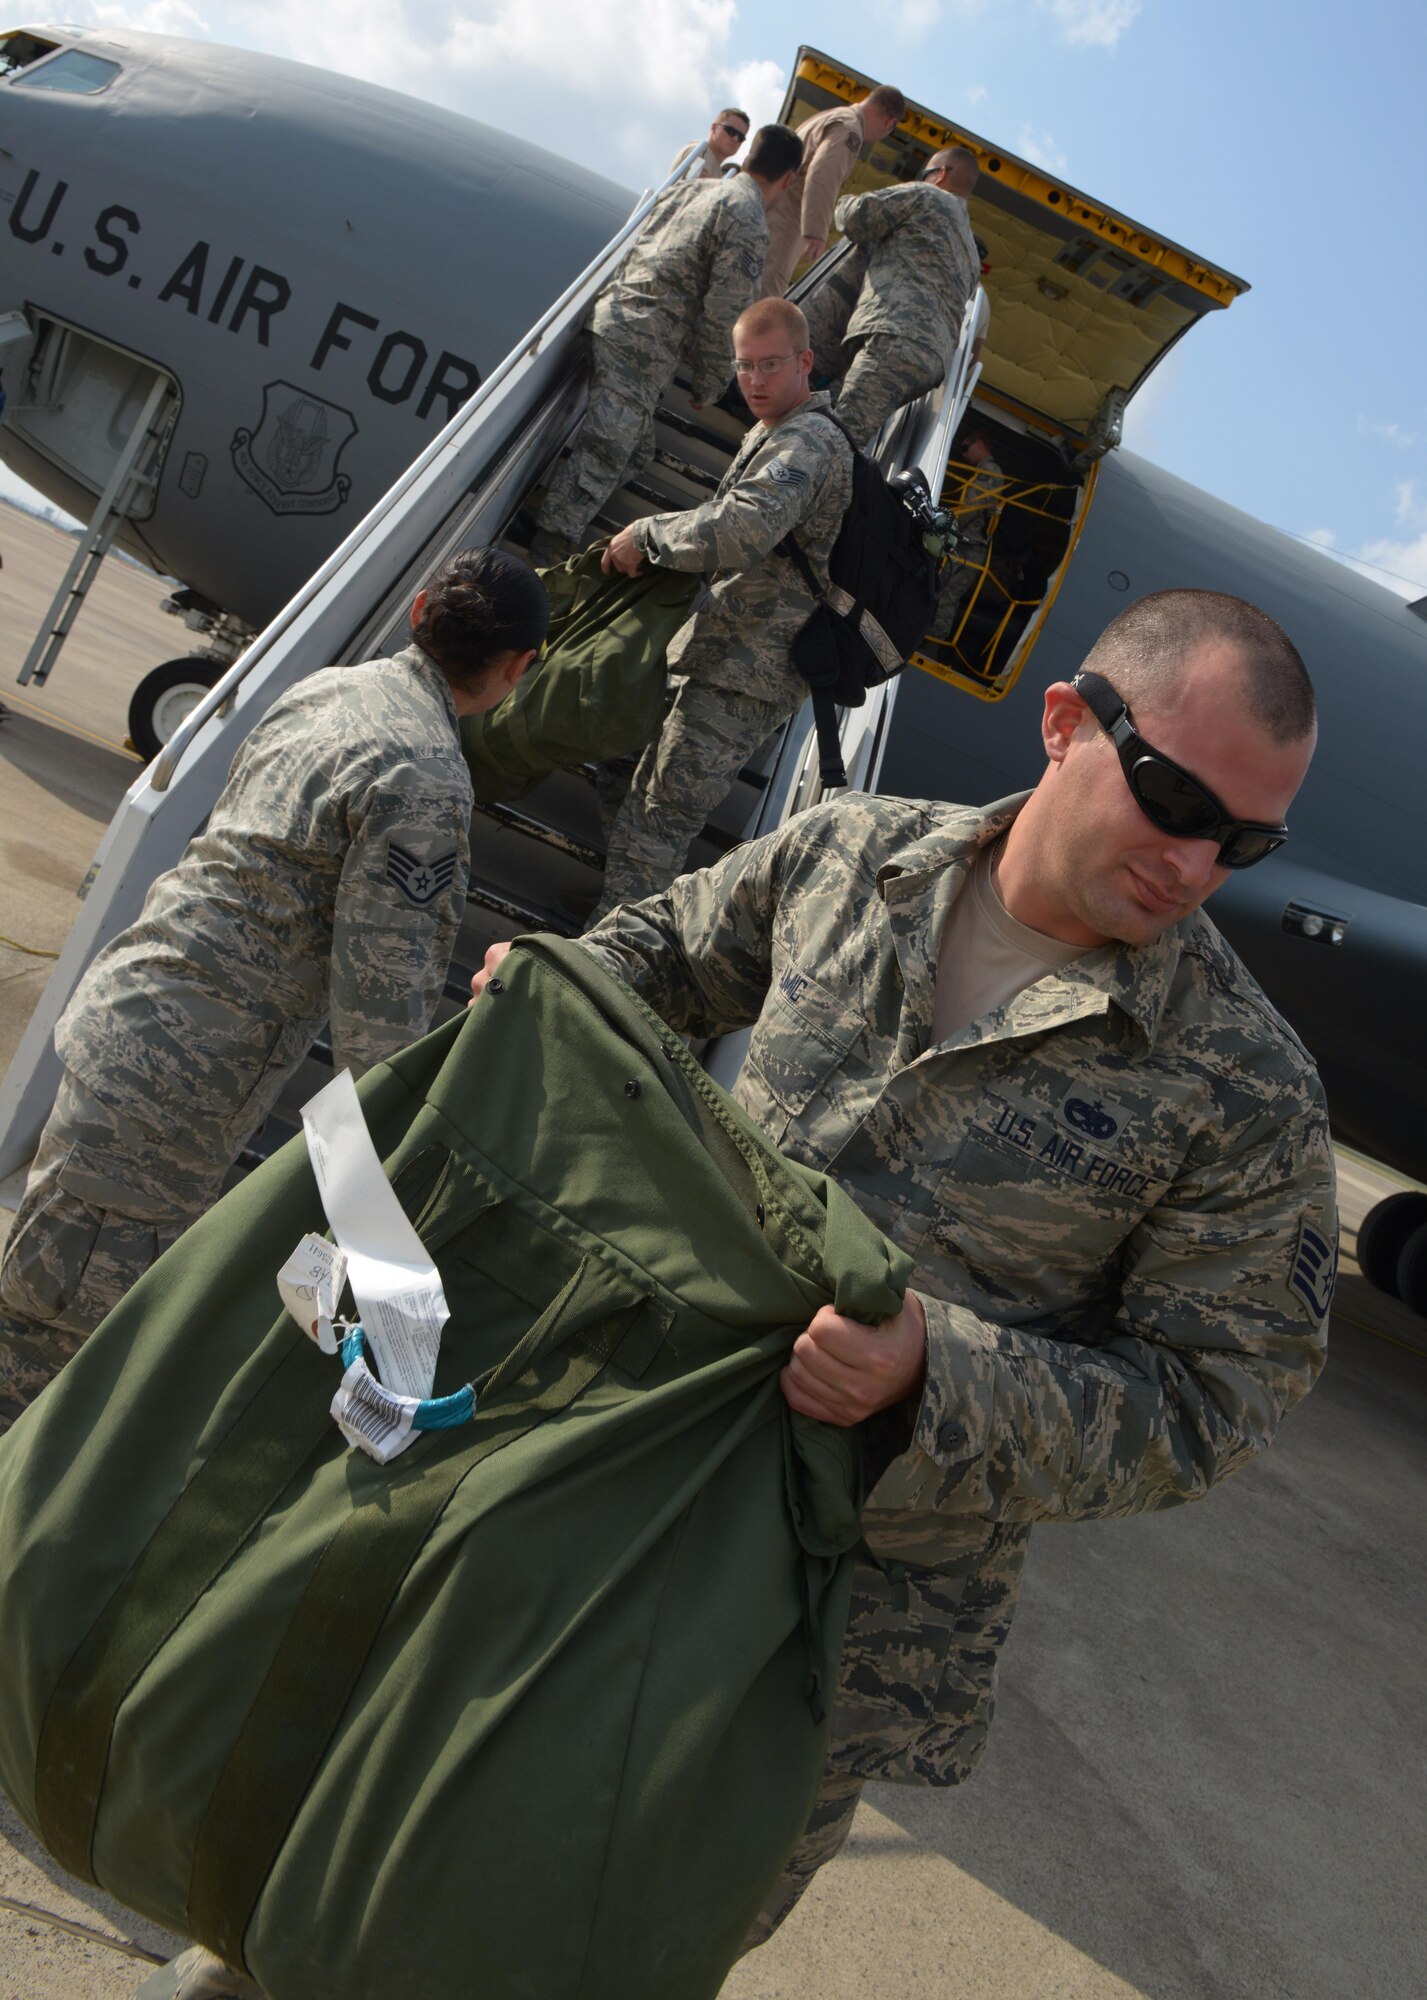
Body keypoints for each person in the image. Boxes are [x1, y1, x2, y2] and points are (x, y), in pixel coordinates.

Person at [472, 586, 1336, 1947]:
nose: (1193, 864)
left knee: (621, 1944)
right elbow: (657, 958)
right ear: (1064, 724)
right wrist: (552, 985)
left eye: (1244, 840)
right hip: (593, 1476)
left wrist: (938, 1374)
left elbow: (1210, 1403)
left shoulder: (1241, 1088)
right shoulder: (845, 858)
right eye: (1172, 800)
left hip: (825, 1625)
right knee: (396, 1815)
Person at [0, 548, 548, 1430]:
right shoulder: (425, 776)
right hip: (179, 1083)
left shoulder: (327, 691)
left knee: (53, 1294)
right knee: (50, 1346)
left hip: (141, 1021)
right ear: (518, 668)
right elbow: (380, 1015)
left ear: (417, 614)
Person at [587, 295, 853, 922]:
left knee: (659, 821)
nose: (754, 382)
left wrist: (648, 535)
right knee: (637, 793)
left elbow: (742, 530)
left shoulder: (808, 443)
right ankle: (614, 924)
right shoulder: (778, 431)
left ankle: (602, 966)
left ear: (805, 362)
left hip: (750, 669)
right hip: (725, 651)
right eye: (743, 367)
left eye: (769, 365)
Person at [530, 123, 804, 567]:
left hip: (613, 316)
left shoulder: (697, 190)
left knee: (636, 451)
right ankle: (544, 555)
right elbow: (727, 314)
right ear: (789, 179)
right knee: (605, 455)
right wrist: (711, 385)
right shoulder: (748, 218)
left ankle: (549, 502)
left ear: (750, 155)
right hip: (642, 346)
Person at [829, 145, 983, 447]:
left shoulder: (927, 196)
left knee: (837, 436)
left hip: (896, 337)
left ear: (939, 174)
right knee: (848, 424)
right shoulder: (970, 250)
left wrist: (841, 198)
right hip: (931, 361)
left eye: (925, 173)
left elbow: (855, 217)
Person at [760, 85, 906, 299]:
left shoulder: (834, 116)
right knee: (764, 295)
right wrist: (816, 232)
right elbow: (823, 174)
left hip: (774, 208)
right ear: (890, 123)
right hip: (788, 218)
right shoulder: (850, 129)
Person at [928, 431, 1006, 640]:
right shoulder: (983, 471)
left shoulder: (990, 470)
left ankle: (934, 639)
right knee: (942, 589)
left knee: (948, 594)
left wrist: (948, 524)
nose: (964, 455)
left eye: (965, 448)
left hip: (970, 549)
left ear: (979, 443)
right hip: (965, 546)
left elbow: (972, 506)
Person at [667, 106, 750, 181]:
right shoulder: (698, 150)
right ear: (714, 128)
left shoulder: (718, 172)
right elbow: (699, 185)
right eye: (730, 131)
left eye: (741, 137)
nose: (735, 139)